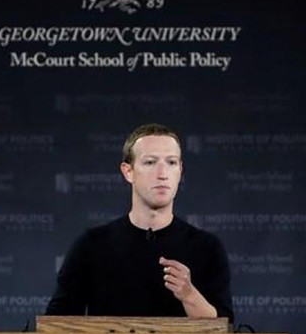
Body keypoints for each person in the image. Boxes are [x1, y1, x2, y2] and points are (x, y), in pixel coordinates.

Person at [45, 123, 234, 321]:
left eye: (171, 162)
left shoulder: (206, 247)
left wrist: (189, 295)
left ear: (180, 171)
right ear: (128, 171)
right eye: (150, 162)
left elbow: (224, 331)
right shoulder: (92, 245)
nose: (162, 174)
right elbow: (56, 324)